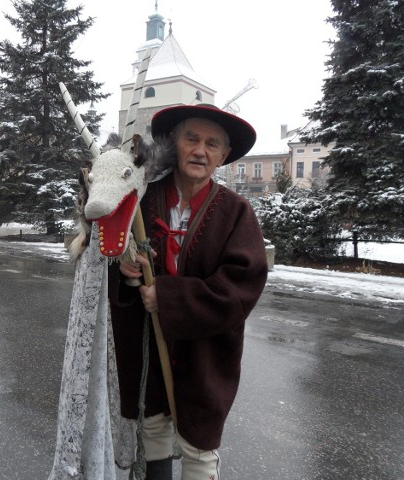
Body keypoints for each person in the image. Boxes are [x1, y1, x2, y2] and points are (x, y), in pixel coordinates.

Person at [108, 104, 268, 479]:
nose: (200, 151)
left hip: (206, 356)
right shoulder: (141, 199)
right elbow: (109, 254)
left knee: (200, 449)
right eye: (191, 138)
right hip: (147, 348)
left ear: (224, 156)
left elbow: (239, 290)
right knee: (153, 435)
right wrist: (125, 268)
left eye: (212, 144)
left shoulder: (236, 212)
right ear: (174, 144)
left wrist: (167, 296)